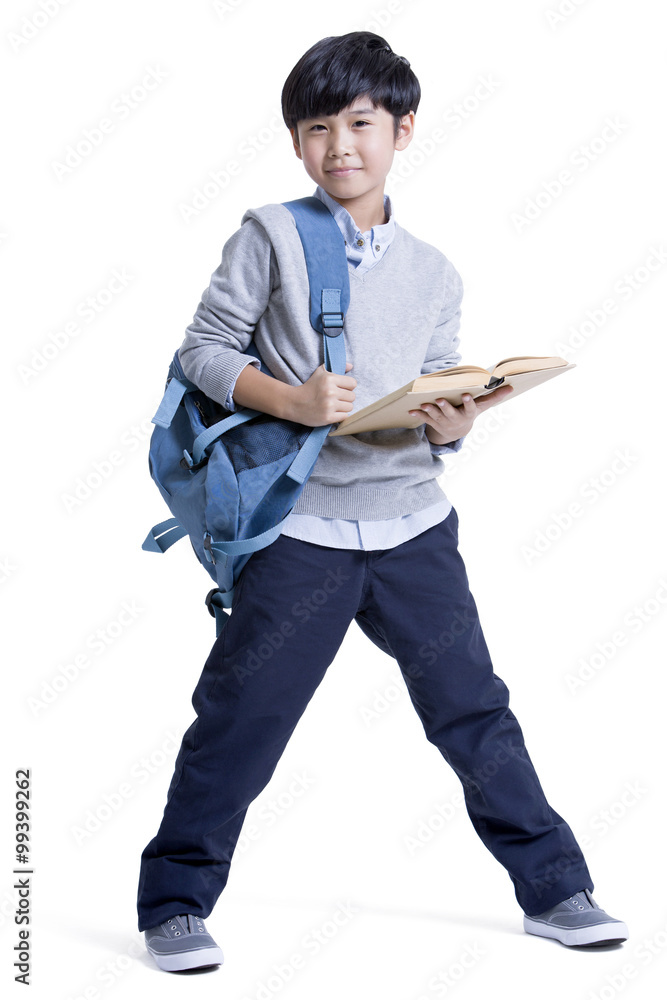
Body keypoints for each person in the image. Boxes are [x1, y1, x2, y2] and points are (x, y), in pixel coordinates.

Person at [137, 31, 627, 973]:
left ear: (402, 130)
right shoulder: (270, 234)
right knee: (242, 718)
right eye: (315, 128)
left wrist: (454, 423)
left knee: (474, 713)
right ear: (296, 142)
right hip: (300, 529)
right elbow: (201, 350)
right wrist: (287, 399)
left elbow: (439, 398)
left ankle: (556, 891)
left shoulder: (436, 271)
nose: (338, 147)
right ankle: (173, 904)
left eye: (359, 123)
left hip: (412, 528)